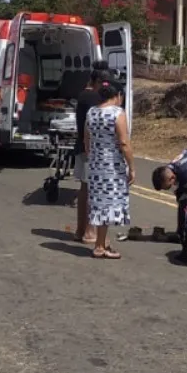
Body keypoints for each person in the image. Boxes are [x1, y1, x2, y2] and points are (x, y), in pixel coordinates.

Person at [84, 78, 135, 259]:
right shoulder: (117, 113)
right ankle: (99, 246)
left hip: (96, 165)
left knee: (99, 204)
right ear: (118, 95)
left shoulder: (92, 112)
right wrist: (132, 167)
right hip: (112, 166)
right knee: (108, 205)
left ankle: (103, 242)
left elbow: (87, 141)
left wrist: (94, 157)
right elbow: (124, 143)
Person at [73, 64, 109, 243]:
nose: (105, 87)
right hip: (90, 149)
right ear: (96, 81)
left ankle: (81, 230)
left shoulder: (83, 95)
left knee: (85, 189)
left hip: (82, 146)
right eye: (103, 83)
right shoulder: (92, 97)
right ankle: (88, 232)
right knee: (91, 191)